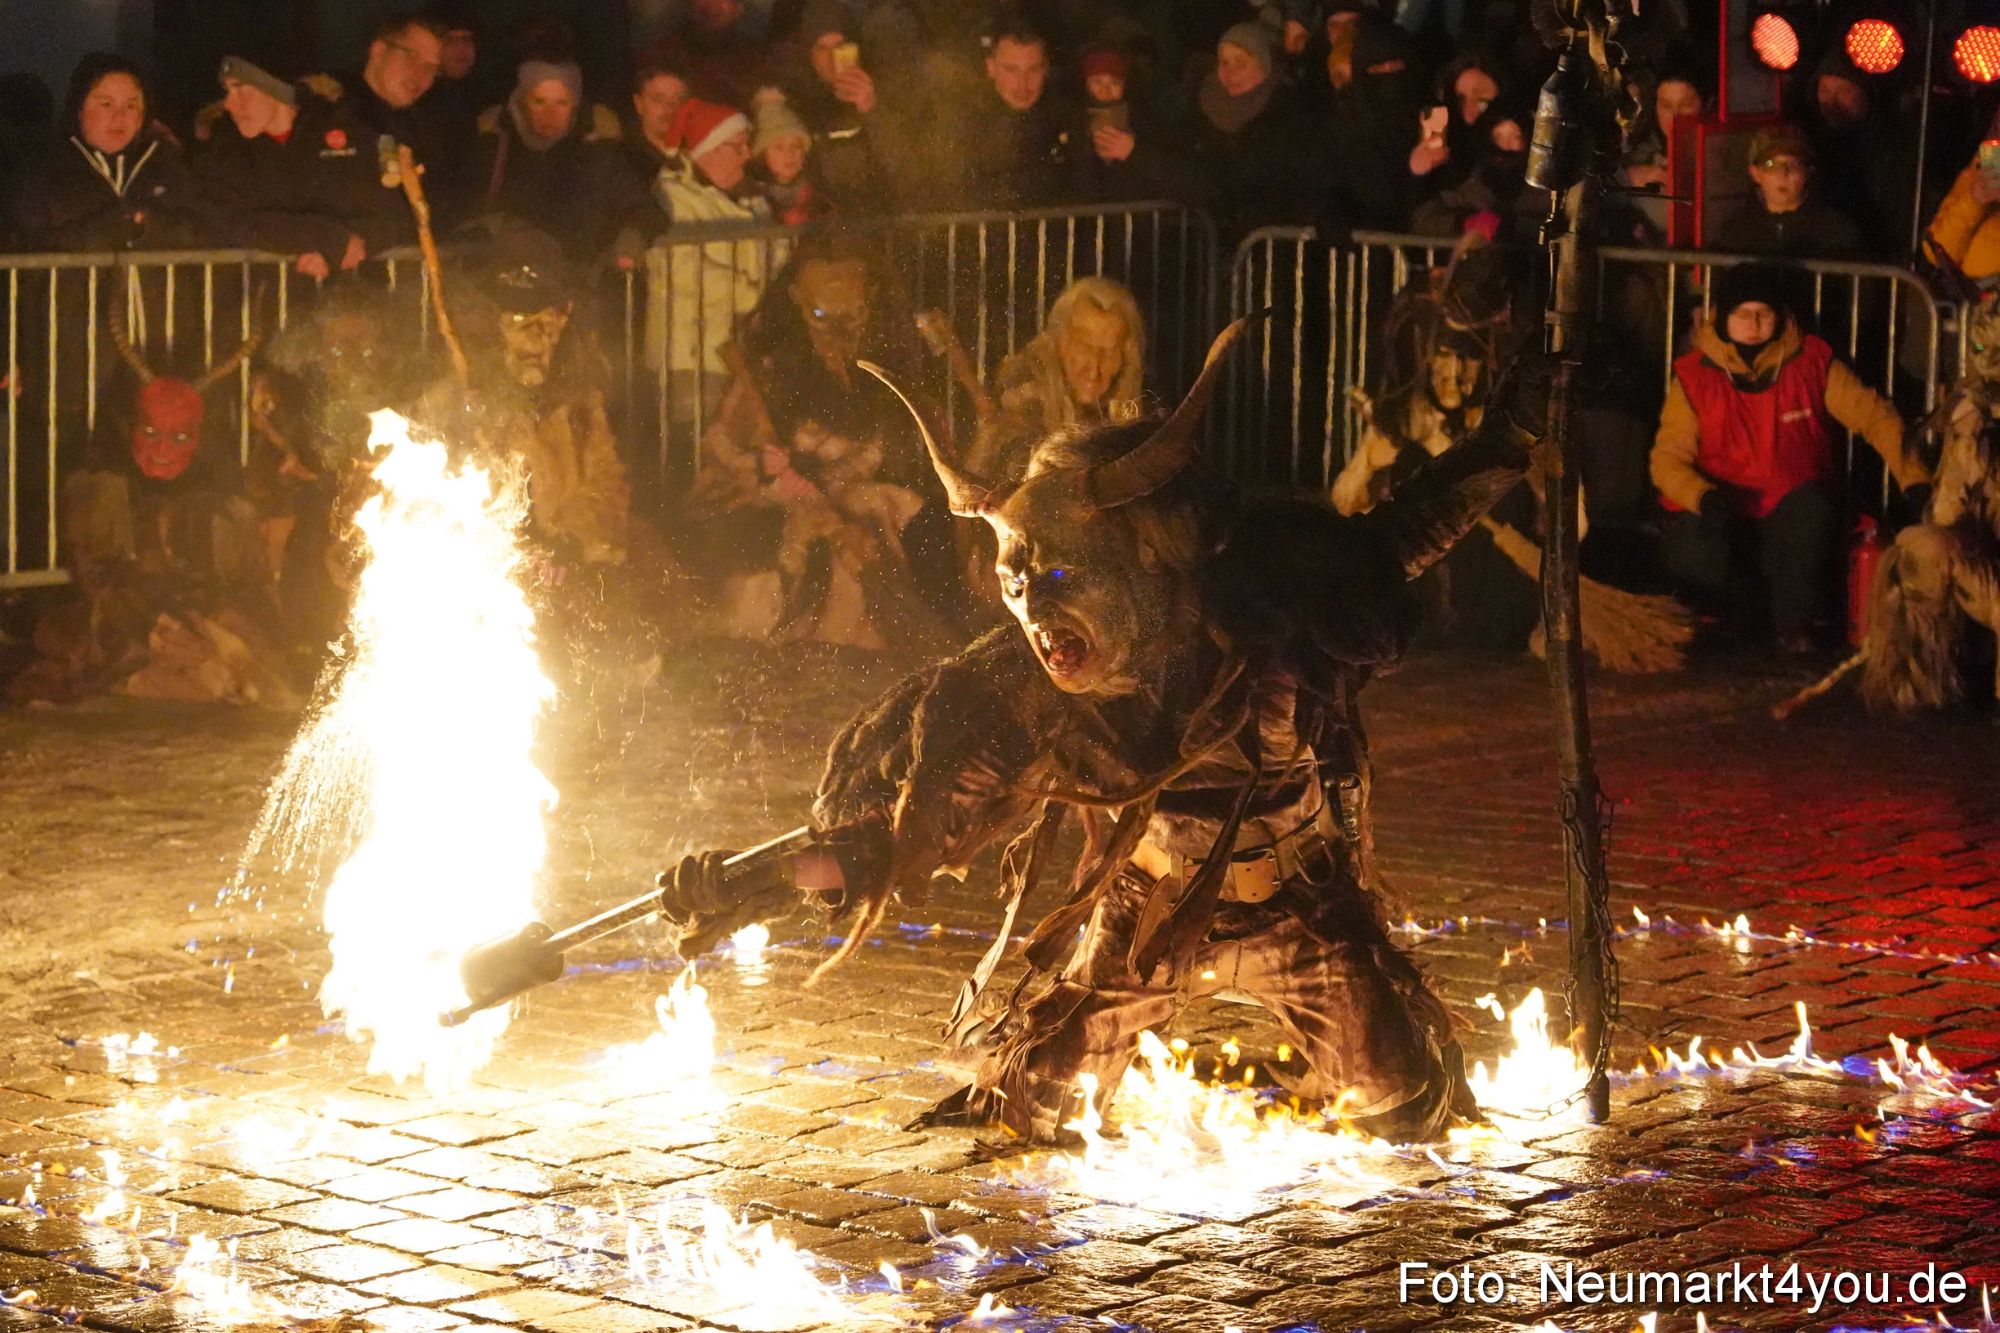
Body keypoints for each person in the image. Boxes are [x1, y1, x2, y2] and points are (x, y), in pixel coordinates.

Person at [668, 320, 1558, 1147]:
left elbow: (1407, 530)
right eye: (1016, 580)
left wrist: (1510, 435)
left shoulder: (1267, 597)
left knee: (1403, 1106)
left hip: (1303, 904)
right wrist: (763, 879)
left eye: (1061, 574)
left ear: (1141, 557)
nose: (1034, 609)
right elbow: (922, 827)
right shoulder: (1028, 687)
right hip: (1149, 915)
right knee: (1037, 1104)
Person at [683, 231, 950, 651]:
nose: (838, 331)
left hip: (861, 510)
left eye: (853, 314)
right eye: (821, 315)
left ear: (871, 299)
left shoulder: (890, 371)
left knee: (880, 506)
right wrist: (776, 478)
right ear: (796, 298)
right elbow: (726, 463)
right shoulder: (770, 376)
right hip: (772, 516)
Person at [1652, 263, 1928, 652]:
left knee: (1810, 519)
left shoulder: (1811, 363)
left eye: (1763, 313)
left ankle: (1794, 629)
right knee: (1698, 551)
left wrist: (1914, 478)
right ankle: (1733, 621)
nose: (1753, 324)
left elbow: (1876, 418)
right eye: (1742, 314)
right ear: (1722, 317)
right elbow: (1667, 459)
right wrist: (1702, 496)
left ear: (1780, 316)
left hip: (1793, 503)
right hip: (1722, 503)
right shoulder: (1695, 376)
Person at [1859, 295, 2000, 712]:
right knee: (1920, 548)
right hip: (1989, 559)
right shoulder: (1974, 412)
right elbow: (1948, 511)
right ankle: (1925, 683)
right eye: (1984, 348)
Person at [191, 56, 400, 281]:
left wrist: (351, 245)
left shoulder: (344, 128)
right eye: (227, 91)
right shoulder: (224, 148)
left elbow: (391, 209)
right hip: (264, 293)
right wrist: (324, 238)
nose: (229, 103)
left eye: (240, 89)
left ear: (275, 89)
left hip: (359, 292)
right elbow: (227, 220)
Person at [647, 97, 778, 452]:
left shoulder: (753, 200)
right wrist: (754, 295)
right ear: (708, 149)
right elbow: (683, 268)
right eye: (737, 146)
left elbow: (777, 255)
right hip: (692, 357)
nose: (746, 155)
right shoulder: (671, 196)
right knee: (695, 449)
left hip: (744, 352)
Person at [6, 55, 208, 252]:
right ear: (79, 109)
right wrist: (100, 231)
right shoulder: (43, 173)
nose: (119, 116)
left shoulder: (168, 168)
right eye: (106, 104)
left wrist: (152, 227)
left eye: (131, 105)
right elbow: (21, 247)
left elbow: (203, 232)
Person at [969, 276, 1146, 486]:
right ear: (1060, 340)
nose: (1093, 369)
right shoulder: (1022, 398)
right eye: (1084, 346)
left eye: (1109, 352)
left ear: (1126, 356)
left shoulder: (1134, 412)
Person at [471, 56, 629, 262]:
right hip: (504, 272)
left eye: (561, 103)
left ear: (574, 105)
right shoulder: (495, 148)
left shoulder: (598, 151)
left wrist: (629, 242)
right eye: (539, 101)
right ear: (523, 103)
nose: (550, 113)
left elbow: (636, 207)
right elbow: (467, 212)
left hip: (579, 274)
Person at [1188, 22, 1312, 242]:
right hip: (1213, 240)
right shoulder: (1201, 112)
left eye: (1241, 62)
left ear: (1263, 65)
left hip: (1270, 241)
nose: (1230, 72)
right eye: (1224, 62)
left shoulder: (1288, 115)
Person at [1305, 3, 1423, 233]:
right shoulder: (1340, 121)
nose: (1387, 74)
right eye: (1377, 68)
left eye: (1394, 66)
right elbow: (1328, 181)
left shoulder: (1429, 116)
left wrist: (1417, 173)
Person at [342, 14, 460, 225]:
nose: (421, 74)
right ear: (378, 51)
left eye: (431, 68)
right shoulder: (325, 112)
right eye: (411, 57)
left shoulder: (425, 129)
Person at [944, 20, 1074, 210]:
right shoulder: (963, 125)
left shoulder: (1067, 119)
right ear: (991, 68)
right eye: (1011, 70)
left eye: (1033, 69)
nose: (1023, 83)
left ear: (1046, 69)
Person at [779, 0, 892, 210]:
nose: (832, 57)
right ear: (809, 54)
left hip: (876, 218)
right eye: (822, 48)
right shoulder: (793, 103)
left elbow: (905, 169)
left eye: (840, 46)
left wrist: (872, 110)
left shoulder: (886, 89)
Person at [1066, 44, 1196, 206]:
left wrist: (1134, 152)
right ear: (1085, 84)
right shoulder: (1070, 124)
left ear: (1125, 86)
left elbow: (1185, 183)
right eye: (1097, 81)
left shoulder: (1145, 125)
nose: (1105, 91)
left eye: (1114, 82)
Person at [1710, 124, 1864, 261]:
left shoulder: (1836, 232)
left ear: (1808, 172)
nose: (1783, 173)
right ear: (1755, 173)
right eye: (1771, 164)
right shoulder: (1734, 233)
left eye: (1794, 164)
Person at [750, 94, 823, 225]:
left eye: (796, 146)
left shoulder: (820, 193)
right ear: (763, 154)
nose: (789, 154)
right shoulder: (753, 197)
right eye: (779, 148)